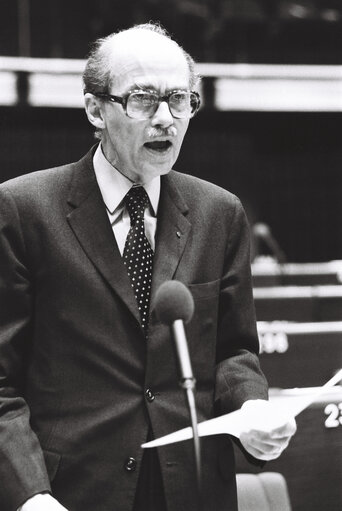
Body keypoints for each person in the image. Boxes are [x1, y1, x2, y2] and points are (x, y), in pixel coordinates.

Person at [0, 23, 296, 511]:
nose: (166, 119)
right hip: (70, 493)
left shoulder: (220, 213)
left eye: (180, 99)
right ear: (96, 108)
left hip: (194, 488)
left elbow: (233, 352)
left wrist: (251, 410)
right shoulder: (22, 210)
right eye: (142, 99)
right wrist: (30, 495)